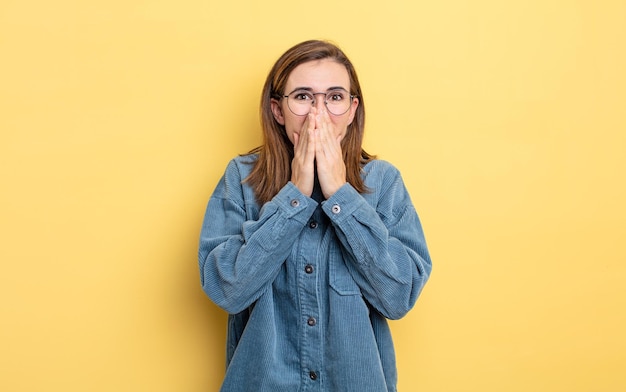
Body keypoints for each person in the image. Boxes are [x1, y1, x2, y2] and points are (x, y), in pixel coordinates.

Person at [198, 40, 432, 392]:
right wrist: (295, 194)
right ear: (278, 110)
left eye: (335, 97)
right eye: (304, 97)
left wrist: (341, 194)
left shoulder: (384, 183)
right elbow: (227, 290)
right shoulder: (242, 178)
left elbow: (398, 297)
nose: (317, 115)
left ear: (352, 110)